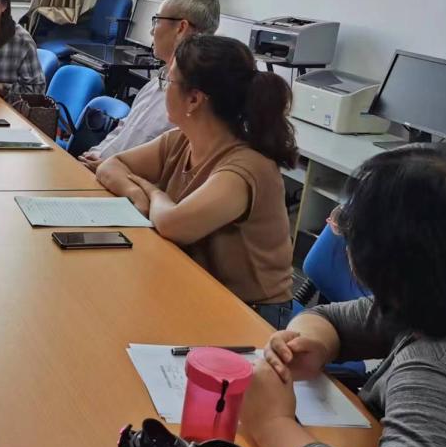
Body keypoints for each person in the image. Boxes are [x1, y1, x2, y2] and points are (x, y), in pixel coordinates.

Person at [241, 145, 446, 447]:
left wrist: (272, 425)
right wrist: (315, 341)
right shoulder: (437, 304)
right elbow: (332, 318)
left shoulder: (438, 366)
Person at [96, 35, 296, 325]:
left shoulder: (246, 167)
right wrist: (136, 193)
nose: (163, 88)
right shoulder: (181, 140)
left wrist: (151, 191)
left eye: (168, 80)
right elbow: (110, 166)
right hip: (194, 282)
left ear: (194, 99)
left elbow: (172, 225)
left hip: (250, 314)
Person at [78, 0, 220, 172]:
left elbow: (167, 172)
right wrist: (96, 154)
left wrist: (109, 169)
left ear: (181, 28)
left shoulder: (191, 103)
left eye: (157, 21)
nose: (152, 31)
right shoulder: (156, 82)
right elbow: (124, 129)